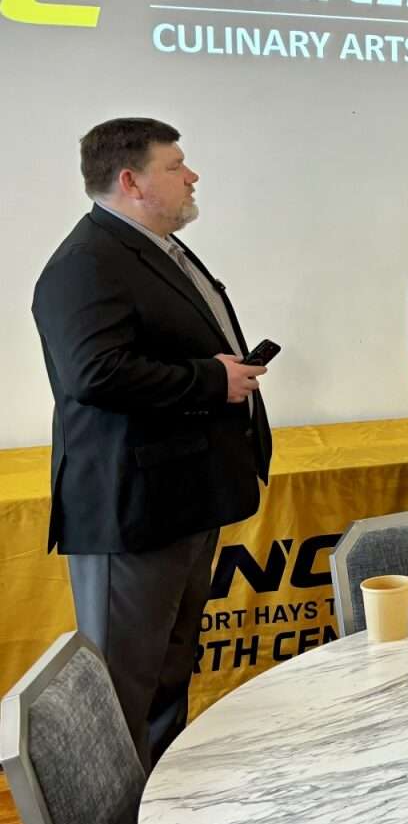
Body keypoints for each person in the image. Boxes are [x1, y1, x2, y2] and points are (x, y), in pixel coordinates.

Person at [31, 117, 272, 771]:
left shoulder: (157, 249)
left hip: (184, 500)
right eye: (177, 165)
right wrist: (210, 378)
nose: (191, 175)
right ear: (131, 180)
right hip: (131, 512)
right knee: (118, 695)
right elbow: (94, 372)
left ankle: (160, 819)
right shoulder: (86, 262)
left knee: (167, 679)